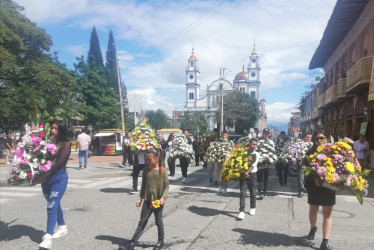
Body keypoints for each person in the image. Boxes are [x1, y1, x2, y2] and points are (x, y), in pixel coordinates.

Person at [119, 148, 169, 250]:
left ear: (157, 159)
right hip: (147, 200)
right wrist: (140, 198)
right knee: (142, 222)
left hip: (158, 201)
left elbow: (166, 187)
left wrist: (163, 197)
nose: (147, 162)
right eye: (146, 159)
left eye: (149, 159)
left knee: (158, 222)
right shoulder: (146, 169)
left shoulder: (162, 171)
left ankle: (160, 241)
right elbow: (143, 186)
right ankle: (132, 243)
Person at [38, 121, 71, 249]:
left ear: (61, 130)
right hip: (46, 179)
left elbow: (59, 163)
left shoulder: (65, 144)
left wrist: (45, 172)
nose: (52, 130)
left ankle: (48, 238)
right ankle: (62, 226)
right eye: (51, 128)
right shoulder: (47, 144)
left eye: (55, 128)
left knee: (51, 206)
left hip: (59, 178)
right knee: (54, 203)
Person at [304, 132, 335, 250]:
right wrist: (314, 180)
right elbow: (305, 170)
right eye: (316, 139)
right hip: (314, 186)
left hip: (328, 187)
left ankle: (325, 241)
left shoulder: (333, 153)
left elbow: (339, 170)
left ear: (326, 139)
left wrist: (338, 184)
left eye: (322, 138)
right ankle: (313, 227)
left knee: (327, 213)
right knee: (313, 210)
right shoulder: (310, 153)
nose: (319, 140)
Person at [237, 138, 259, 220]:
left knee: (252, 191)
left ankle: (252, 207)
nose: (254, 146)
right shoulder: (243, 152)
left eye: (256, 145)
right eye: (253, 144)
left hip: (252, 174)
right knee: (242, 192)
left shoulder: (256, 154)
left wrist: (247, 172)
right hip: (243, 174)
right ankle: (241, 211)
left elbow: (253, 164)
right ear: (249, 144)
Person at [256, 128, 275, 197]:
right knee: (259, 177)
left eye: (267, 134)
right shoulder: (259, 141)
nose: (266, 135)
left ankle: (264, 191)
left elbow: (273, 151)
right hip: (260, 162)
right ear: (263, 133)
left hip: (267, 162)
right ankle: (260, 191)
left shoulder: (271, 142)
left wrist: (271, 160)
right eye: (265, 133)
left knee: (266, 177)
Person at [297, 132, 312, 198]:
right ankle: (301, 191)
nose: (309, 139)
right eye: (307, 137)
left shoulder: (312, 145)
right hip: (301, 162)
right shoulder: (300, 144)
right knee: (301, 177)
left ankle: (309, 190)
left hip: (310, 163)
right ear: (304, 137)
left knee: (309, 177)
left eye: (310, 137)